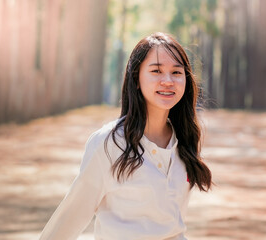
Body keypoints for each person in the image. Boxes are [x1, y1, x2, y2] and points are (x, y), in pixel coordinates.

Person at [39, 32, 212, 240]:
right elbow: (70, 217)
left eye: (176, 72)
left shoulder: (184, 139)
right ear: (136, 79)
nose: (168, 80)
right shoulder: (109, 143)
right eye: (156, 71)